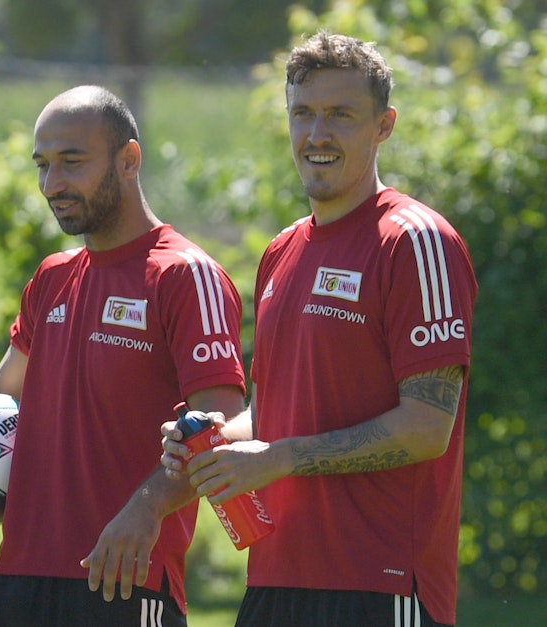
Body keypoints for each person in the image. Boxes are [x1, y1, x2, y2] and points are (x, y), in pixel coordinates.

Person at [0, 85, 248, 626]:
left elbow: (222, 428)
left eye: (72, 162)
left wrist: (147, 506)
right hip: (17, 581)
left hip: (124, 579)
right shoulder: (53, 277)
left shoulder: (186, 276)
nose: (53, 185)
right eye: (43, 166)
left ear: (129, 159)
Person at [163, 32, 478, 627]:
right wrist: (217, 439)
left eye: (340, 115)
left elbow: (427, 428)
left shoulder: (416, 241)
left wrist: (277, 459)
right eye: (302, 114)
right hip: (276, 579)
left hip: (381, 584)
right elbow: (280, 412)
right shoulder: (281, 252)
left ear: (383, 125)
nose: (317, 135)